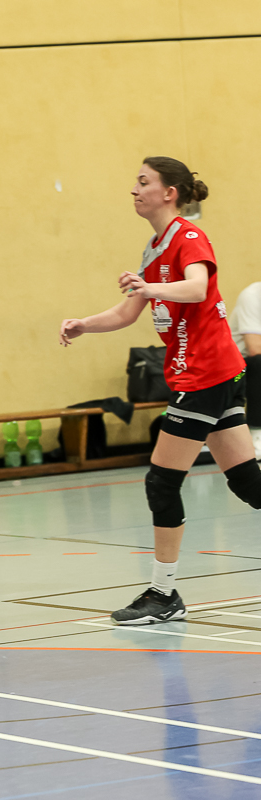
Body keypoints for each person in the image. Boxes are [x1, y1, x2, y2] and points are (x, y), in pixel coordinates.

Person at [60, 156, 261, 625]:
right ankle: (163, 593)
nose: (134, 189)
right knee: (250, 484)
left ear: (169, 192)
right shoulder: (154, 248)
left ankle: (163, 593)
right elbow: (129, 311)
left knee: (161, 481)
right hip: (210, 374)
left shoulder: (189, 238)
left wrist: (150, 288)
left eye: (143, 181)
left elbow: (196, 288)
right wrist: (83, 325)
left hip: (206, 374)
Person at [228, 281, 261, 459]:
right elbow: (255, 348)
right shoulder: (253, 296)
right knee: (259, 363)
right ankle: (257, 434)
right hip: (235, 374)